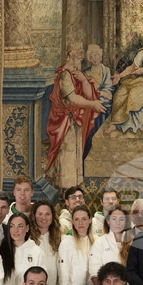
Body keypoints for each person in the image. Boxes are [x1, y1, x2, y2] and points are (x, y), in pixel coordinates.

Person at [45, 43, 106, 187]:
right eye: (79, 54)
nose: (82, 57)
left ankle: (73, 187)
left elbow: (89, 95)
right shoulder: (65, 74)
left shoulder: (77, 72)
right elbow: (73, 99)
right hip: (65, 120)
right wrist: (92, 105)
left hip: (75, 119)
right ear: (72, 55)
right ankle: (66, 187)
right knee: (68, 152)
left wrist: (84, 80)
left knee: (75, 152)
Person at [108, 32, 143, 135]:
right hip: (137, 78)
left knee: (136, 93)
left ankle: (141, 122)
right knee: (121, 93)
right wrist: (119, 76)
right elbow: (132, 68)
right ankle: (117, 124)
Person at [0, 212, 44, 285]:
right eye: (12, 226)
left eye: (20, 226)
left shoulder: (36, 251)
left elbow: (40, 279)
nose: (16, 230)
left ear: (27, 228)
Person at [58, 205, 96, 285]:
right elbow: (63, 273)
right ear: (72, 222)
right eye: (77, 219)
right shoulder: (67, 243)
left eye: (84, 219)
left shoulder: (97, 242)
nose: (80, 223)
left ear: (90, 220)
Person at [89, 208, 131, 285]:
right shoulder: (100, 242)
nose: (117, 223)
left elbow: (136, 270)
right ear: (108, 221)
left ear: (126, 222)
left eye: (121, 219)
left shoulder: (132, 242)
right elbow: (94, 271)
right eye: (114, 219)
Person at [31, 199, 62, 285]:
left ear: (52, 216)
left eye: (47, 214)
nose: (44, 218)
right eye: (40, 214)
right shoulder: (28, 239)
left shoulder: (59, 238)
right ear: (34, 216)